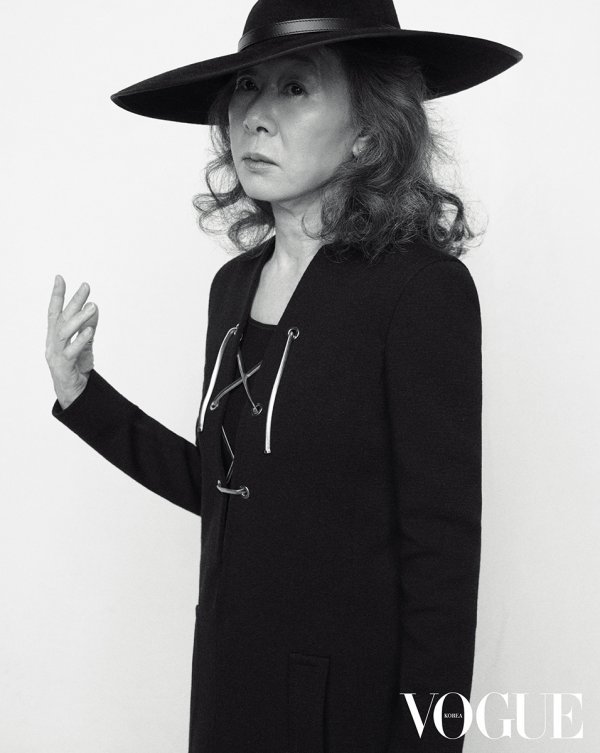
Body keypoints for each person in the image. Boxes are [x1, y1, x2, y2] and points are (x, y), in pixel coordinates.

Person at [45, 1, 522, 751]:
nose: (255, 118)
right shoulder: (233, 286)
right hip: (227, 686)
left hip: (347, 710)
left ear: (368, 130)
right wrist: (84, 397)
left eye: (295, 88)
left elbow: (442, 558)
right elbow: (229, 489)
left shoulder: (419, 291)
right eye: (246, 87)